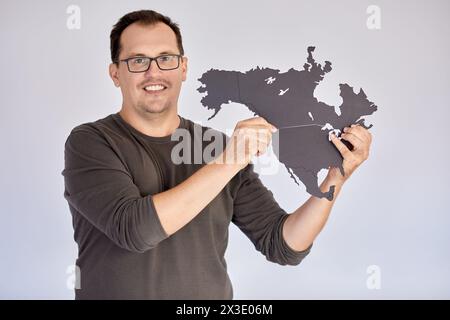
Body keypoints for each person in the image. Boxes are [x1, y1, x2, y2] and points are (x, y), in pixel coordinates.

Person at [62, 9, 372, 300]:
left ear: (183, 68)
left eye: (166, 58)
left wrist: (336, 178)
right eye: (138, 61)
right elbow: (135, 230)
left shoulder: (216, 147)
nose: (154, 72)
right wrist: (230, 160)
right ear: (116, 74)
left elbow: (283, 244)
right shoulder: (90, 142)